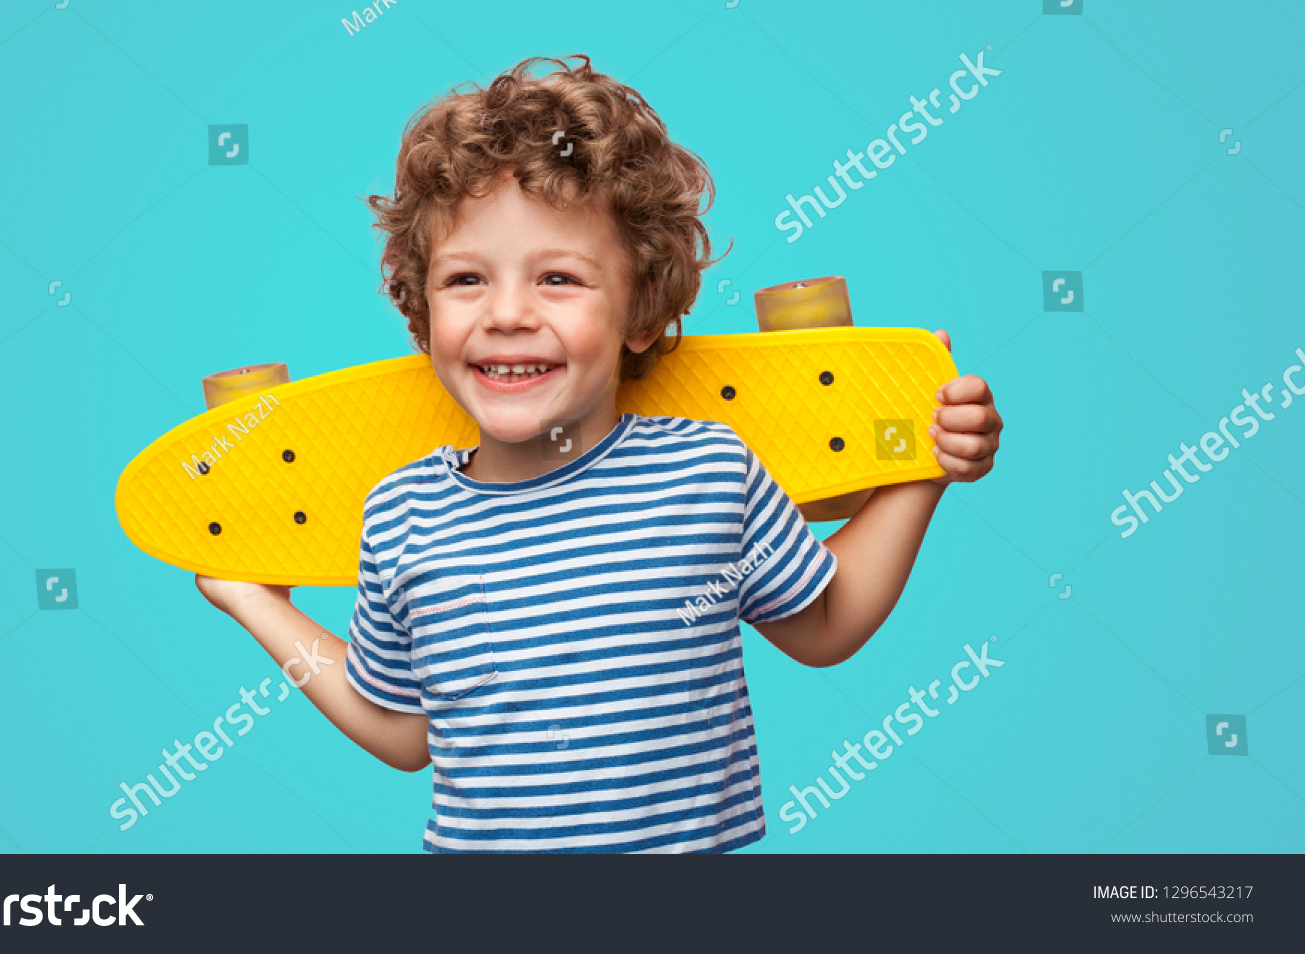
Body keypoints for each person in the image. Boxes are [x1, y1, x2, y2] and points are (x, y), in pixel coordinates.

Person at [196, 54, 1003, 853]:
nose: (507, 313)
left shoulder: (707, 471)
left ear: (642, 311)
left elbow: (825, 624)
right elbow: (406, 732)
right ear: (421, 312)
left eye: (558, 279)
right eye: (466, 280)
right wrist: (254, 601)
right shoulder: (403, 513)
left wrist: (924, 469)